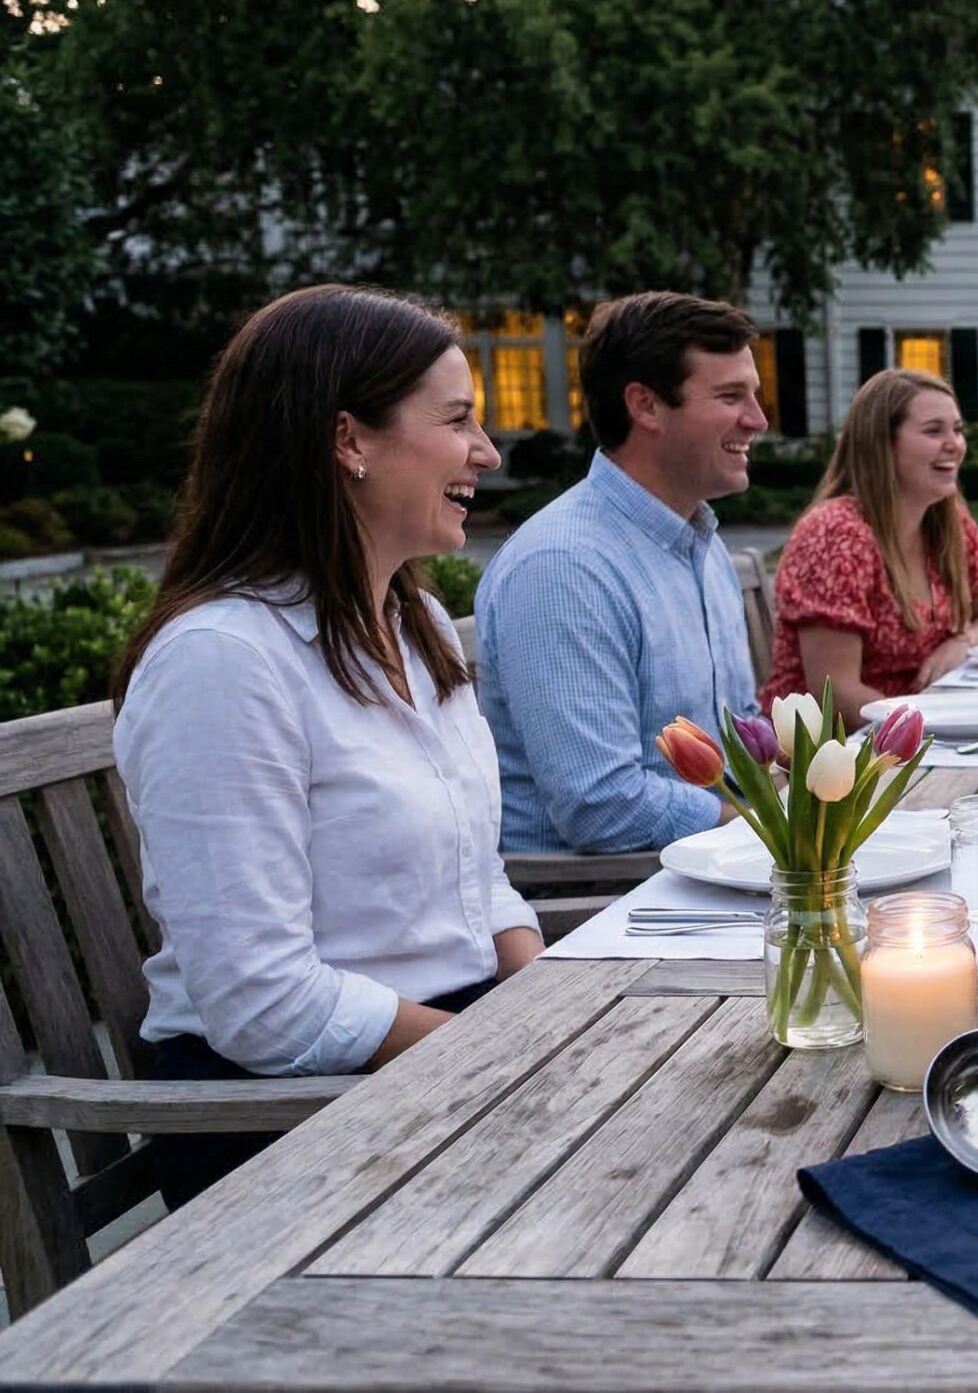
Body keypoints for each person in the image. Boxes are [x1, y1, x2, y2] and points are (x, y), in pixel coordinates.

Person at [111, 285, 546, 1207]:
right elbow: (262, 1000)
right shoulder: (222, 661)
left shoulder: (414, 620)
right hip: (293, 1122)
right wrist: (503, 1056)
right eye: (460, 419)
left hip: (431, 1063)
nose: (486, 452)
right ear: (348, 440)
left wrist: (548, 1011)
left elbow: (479, 880)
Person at [476, 292, 765, 853]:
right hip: (601, 904)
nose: (758, 419)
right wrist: (764, 829)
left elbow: (741, 735)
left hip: (702, 869)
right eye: (731, 396)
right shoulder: (563, 568)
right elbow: (601, 807)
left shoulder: (700, 545)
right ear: (647, 406)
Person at [764, 368, 978, 712]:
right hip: (838, 751)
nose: (955, 445)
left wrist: (964, 642)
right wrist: (929, 728)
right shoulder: (835, 535)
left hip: (917, 731)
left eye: (957, 430)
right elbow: (836, 696)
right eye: (934, 431)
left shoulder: (947, 521)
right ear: (882, 444)